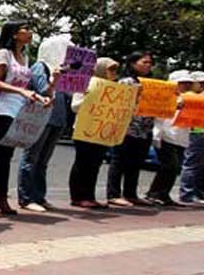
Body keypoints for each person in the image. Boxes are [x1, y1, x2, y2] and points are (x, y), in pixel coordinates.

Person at [0, 21, 49, 216]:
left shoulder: (24, 57)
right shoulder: (3, 54)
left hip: (17, 111)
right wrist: (20, 91)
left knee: (5, 157)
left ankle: (0, 196)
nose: (30, 32)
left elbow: (25, 86)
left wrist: (36, 96)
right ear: (14, 34)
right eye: (26, 29)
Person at [17, 37, 69, 212]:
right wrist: (54, 79)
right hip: (41, 118)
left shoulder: (62, 71)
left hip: (57, 118)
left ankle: (39, 195)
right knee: (32, 158)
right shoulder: (41, 67)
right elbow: (43, 90)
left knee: (43, 160)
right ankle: (26, 197)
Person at [69, 58, 121, 208]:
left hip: (101, 130)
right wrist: (90, 96)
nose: (113, 73)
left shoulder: (114, 88)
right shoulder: (86, 83)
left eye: (114, 70)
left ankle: (89, 195)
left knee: (95, 164)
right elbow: (74, 106)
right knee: (83, 162)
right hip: (84, 129)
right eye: (110, 69)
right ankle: (78, 196)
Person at [106, 52, 156, 207]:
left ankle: (130, 193)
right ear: (133, 63)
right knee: (119, 161)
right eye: (144, 62)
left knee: (136, 163)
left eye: (150, 63)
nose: (148, 65)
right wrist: (136, 93)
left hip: (145, 128)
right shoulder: (125, 82)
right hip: (126, 128)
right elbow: (118, 102)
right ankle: (113, 194)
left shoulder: (152, 83)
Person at [145, 70, 193, 206]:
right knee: (170, 165)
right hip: (165, 135)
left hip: (180, 137)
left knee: (174, 168)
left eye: (188, 83)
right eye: (183, 83)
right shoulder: (164, 97)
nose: (186, 86)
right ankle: (154, 193)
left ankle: (163, 194)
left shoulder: (189, 98)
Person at [178, 70, 204, 205]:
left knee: (201, 165)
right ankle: (186, 193)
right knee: (191, 164)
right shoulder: (188, 95)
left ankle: (198, 191)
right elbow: (197, 101)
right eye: (202, 83)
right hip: (193, 132)